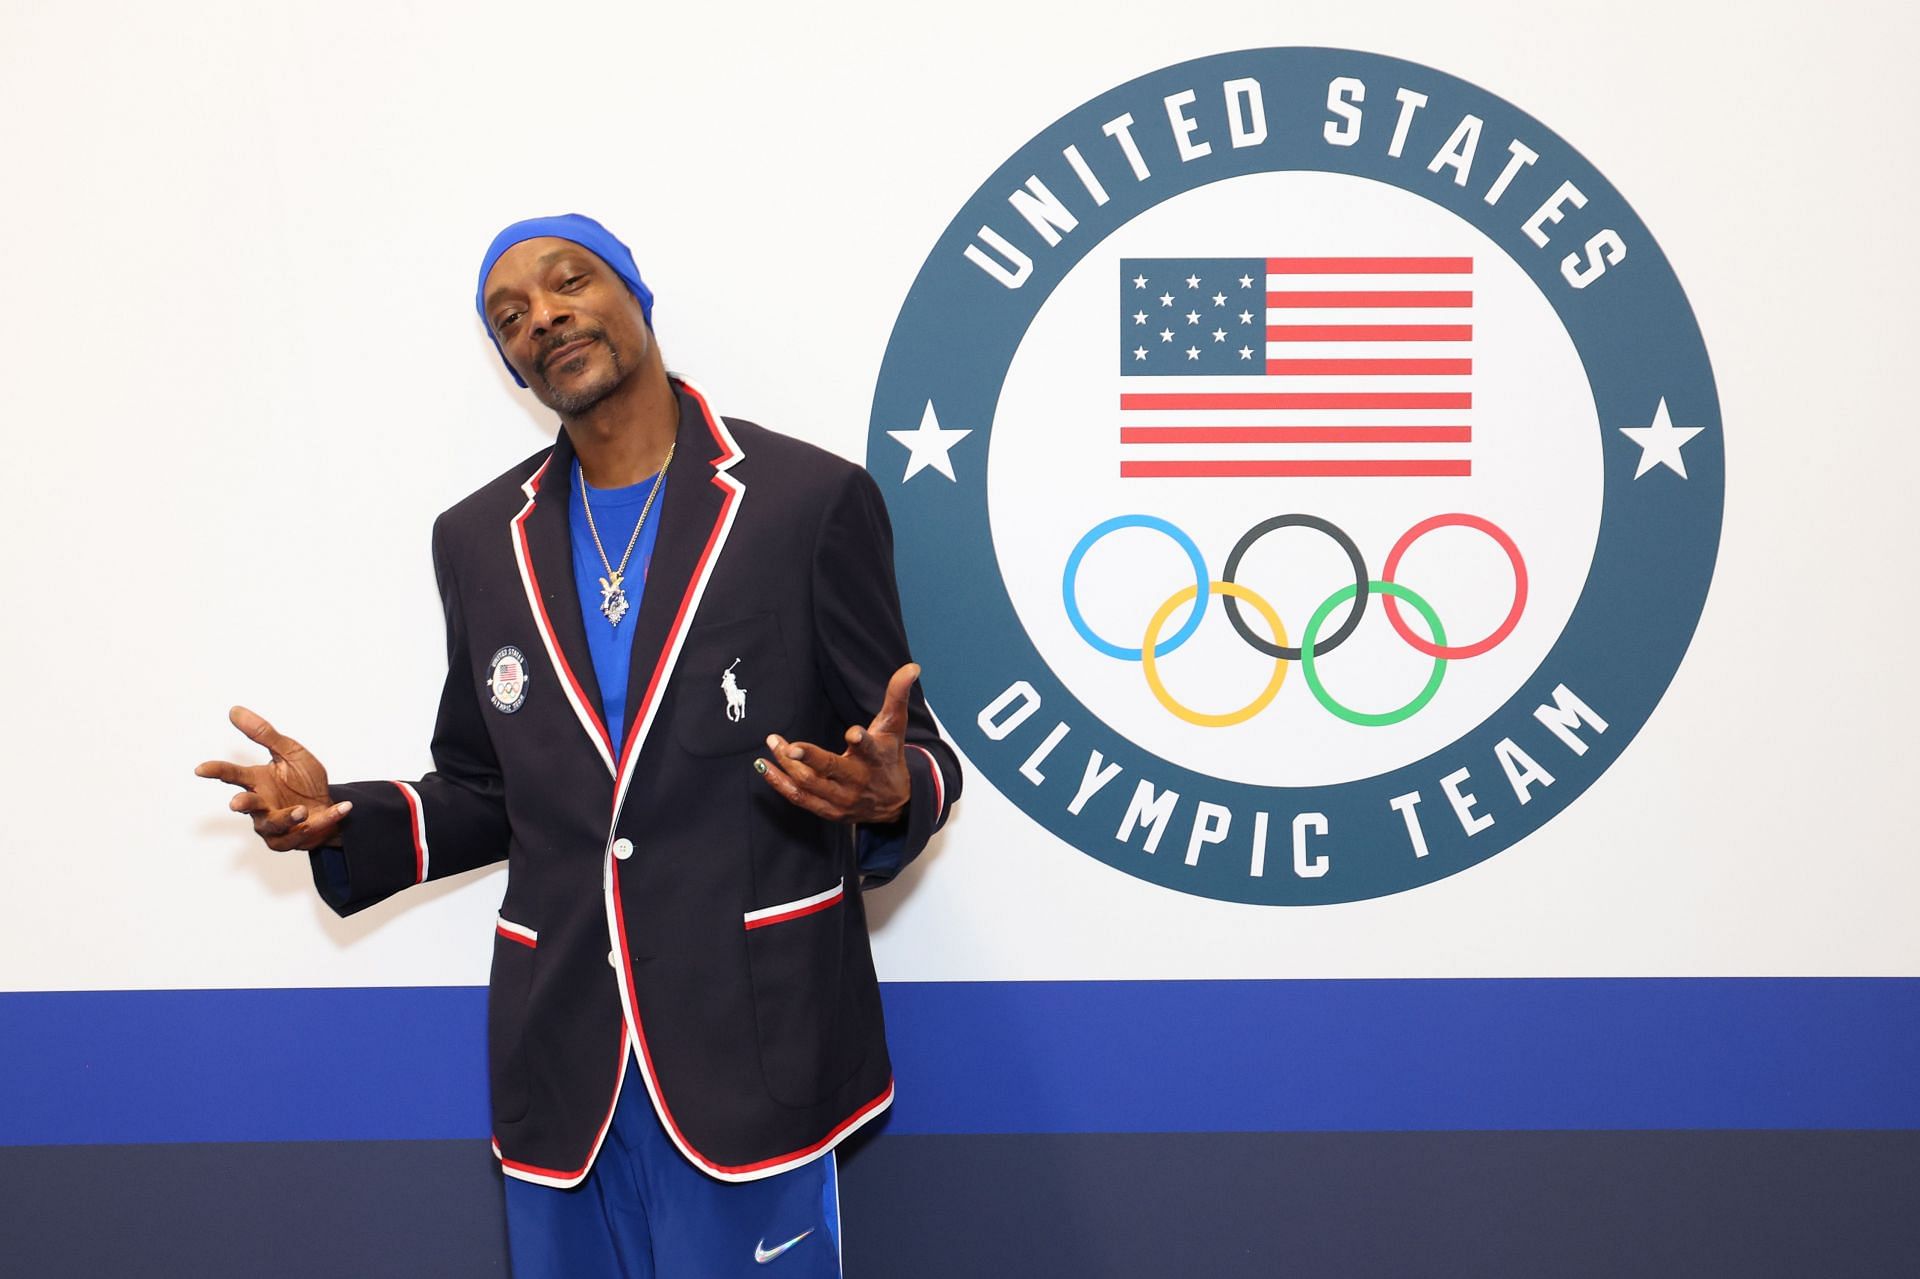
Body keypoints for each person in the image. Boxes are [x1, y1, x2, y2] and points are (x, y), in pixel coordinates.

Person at [195, 213, 961, 1278]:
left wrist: (887, 794)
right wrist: (345, 819)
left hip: (753, 1046)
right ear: (507, 358)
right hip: (562, 1060)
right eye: (510, 316)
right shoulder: (476, 538)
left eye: (569, 284)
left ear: (635, 297)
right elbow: (484, 783)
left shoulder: (807, 501)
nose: (543, 317)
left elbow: (913, 751)